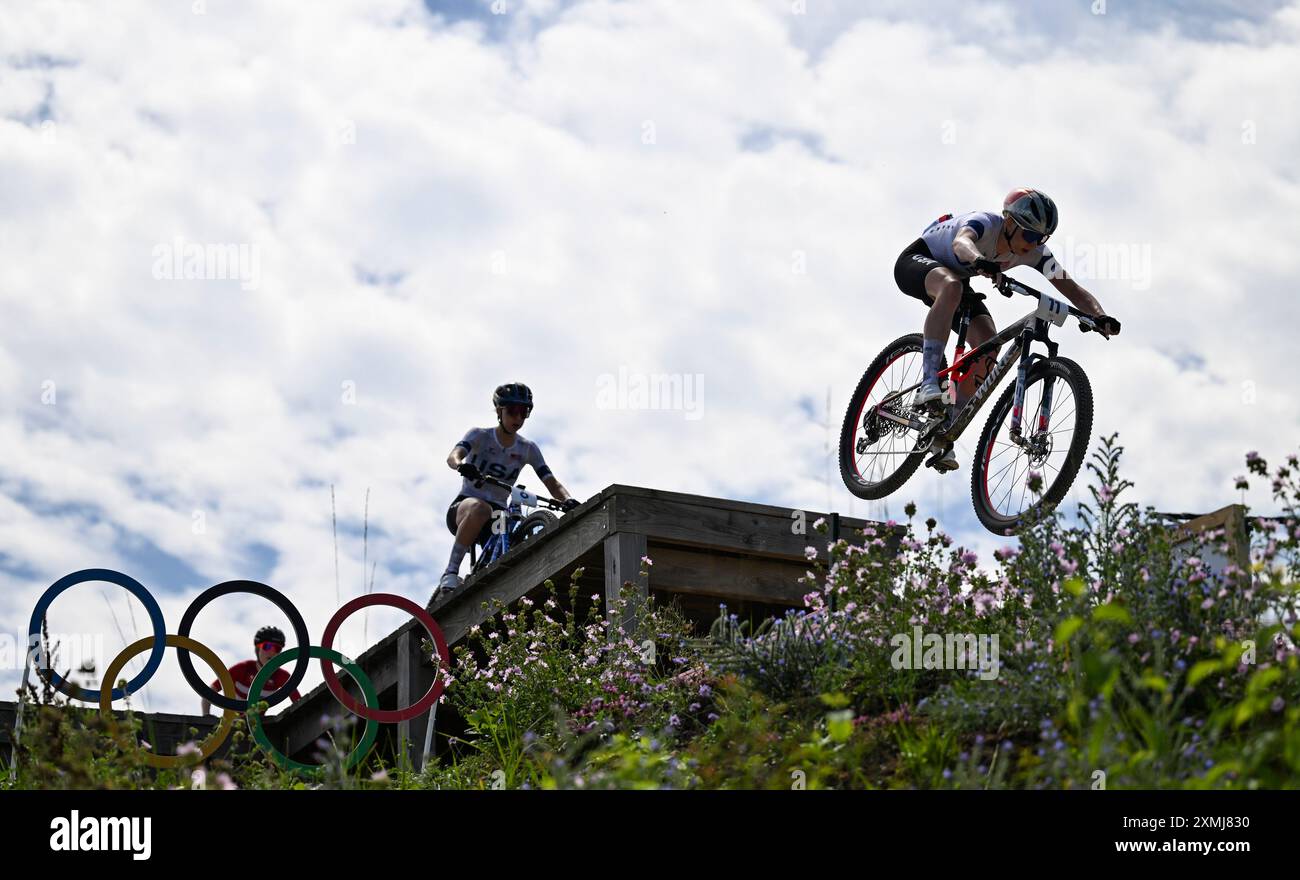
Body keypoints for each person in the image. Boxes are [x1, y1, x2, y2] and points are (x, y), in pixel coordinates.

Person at [892, 187, 1119, 472]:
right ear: (1010, 222)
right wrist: (978, 260)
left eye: (1042, 237)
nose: (1034, 243)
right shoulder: (985, 223)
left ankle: (944, 427)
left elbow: (1072, 289)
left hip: (959, 278)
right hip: (919, 261)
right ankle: (928, 384)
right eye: (1030, 235)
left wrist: (1099, 316)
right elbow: (961, 243)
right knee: (950, 287)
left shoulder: (1036, 253)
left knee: (989, 343)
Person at [436, 382, 579, 597]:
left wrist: (568, 500)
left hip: (497, 515)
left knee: (511, 528)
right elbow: (453, 456)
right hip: (466, 507)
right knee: (480, 508)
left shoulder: (527, 448)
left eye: (524, 412)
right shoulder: (479, 435)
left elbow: (552, 482)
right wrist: (461, 465)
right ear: (499, 411)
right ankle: (451, 572)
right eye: (512, 411)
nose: (518, 419)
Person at [200, 625, 301, 714]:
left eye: (277, 648)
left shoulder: (282, 676)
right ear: (258, 649)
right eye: (267, 646)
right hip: (233, 723)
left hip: (258, 726)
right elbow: (210, 692)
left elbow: (298, 702)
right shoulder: (242, 669)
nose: (272, 652)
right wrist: (206, 715)